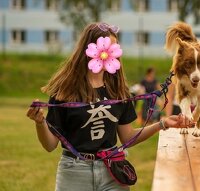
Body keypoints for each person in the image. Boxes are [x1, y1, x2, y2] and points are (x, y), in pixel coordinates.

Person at [26, 22, 191, 191]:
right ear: (90, 48)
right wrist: (40, 123)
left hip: (112, 170)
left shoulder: (118, 90)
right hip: (74, 172)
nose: (112, 53)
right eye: (108, 47)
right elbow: (50, 145)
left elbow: (127, 137)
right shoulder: (65, 91)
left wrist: (162, 124)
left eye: (115, 48)